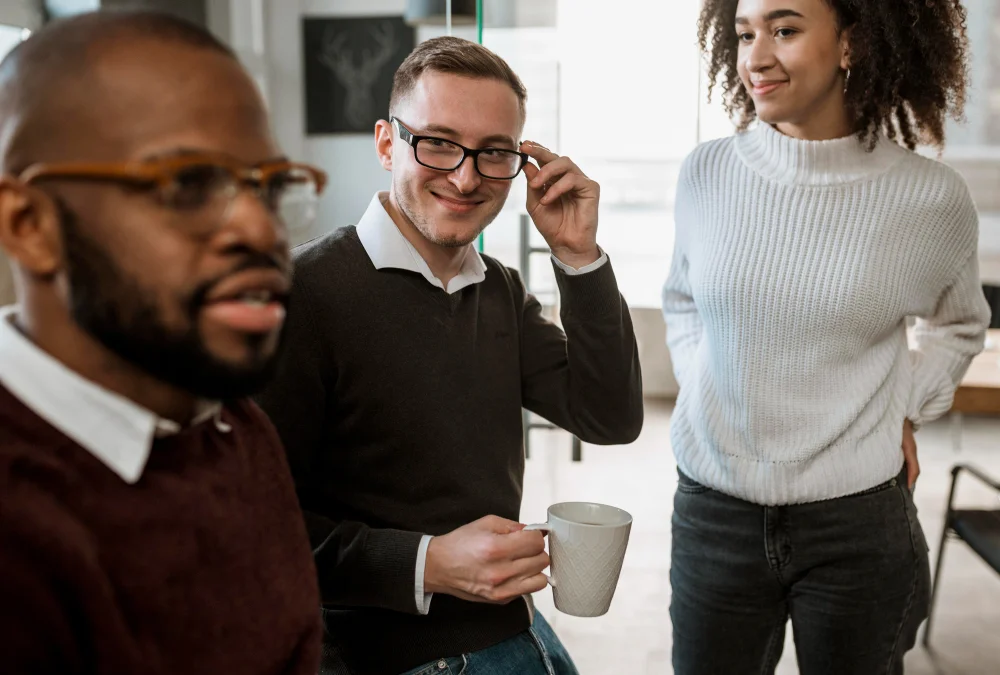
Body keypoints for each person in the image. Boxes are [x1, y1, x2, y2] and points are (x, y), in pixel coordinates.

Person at [256, 36, 644, 675]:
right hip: (391, 655)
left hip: (510, 626)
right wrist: (427, 563)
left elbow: (610, 416)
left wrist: (578, 257)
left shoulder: (497, 286)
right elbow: (256, 534)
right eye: (437, 142)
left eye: (493, 153)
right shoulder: (302, 296)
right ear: (387, 143)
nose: (466, 177)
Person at [661, 0, 992, 673]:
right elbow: (683, 303)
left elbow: (960, 323)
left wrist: (906, 404)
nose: (755, 57)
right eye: (745, 33)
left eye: (784, 30)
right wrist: (709, 386)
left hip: (859, 521)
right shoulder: (707, 173)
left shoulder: (930, 199)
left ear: (852, 43)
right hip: (714, 513)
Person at [0, 10, 329, 674]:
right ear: (29, 224)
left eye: (269, 187)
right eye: (187, 183)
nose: (261, 231)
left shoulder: (237, 427)